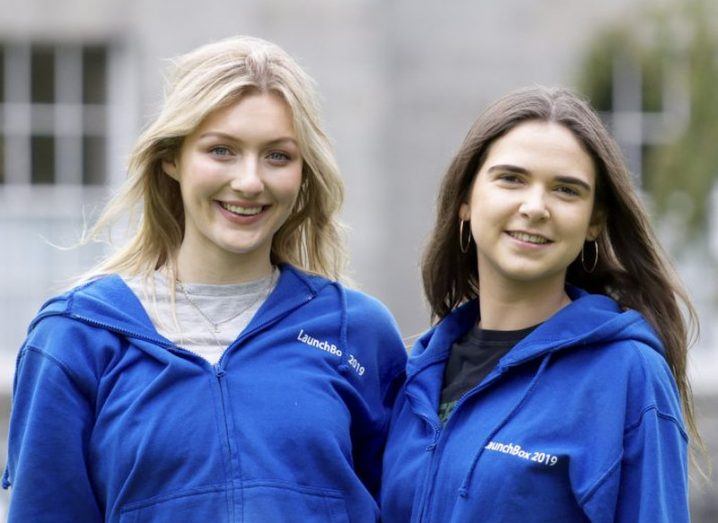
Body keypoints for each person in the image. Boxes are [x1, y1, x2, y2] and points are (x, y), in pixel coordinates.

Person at [3, 36, 406, 522]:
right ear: (172, 158)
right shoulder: (77, 337)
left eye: (278, 156)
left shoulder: (356, 331)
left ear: (304, 173)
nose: (250, 181)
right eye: (221, 150)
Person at [380, 86, 699, 522]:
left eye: (566, 190)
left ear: (594, 222)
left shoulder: (626, 374)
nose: (535, 207)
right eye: (511, 178)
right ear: (466, 201)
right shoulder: (417, 373)